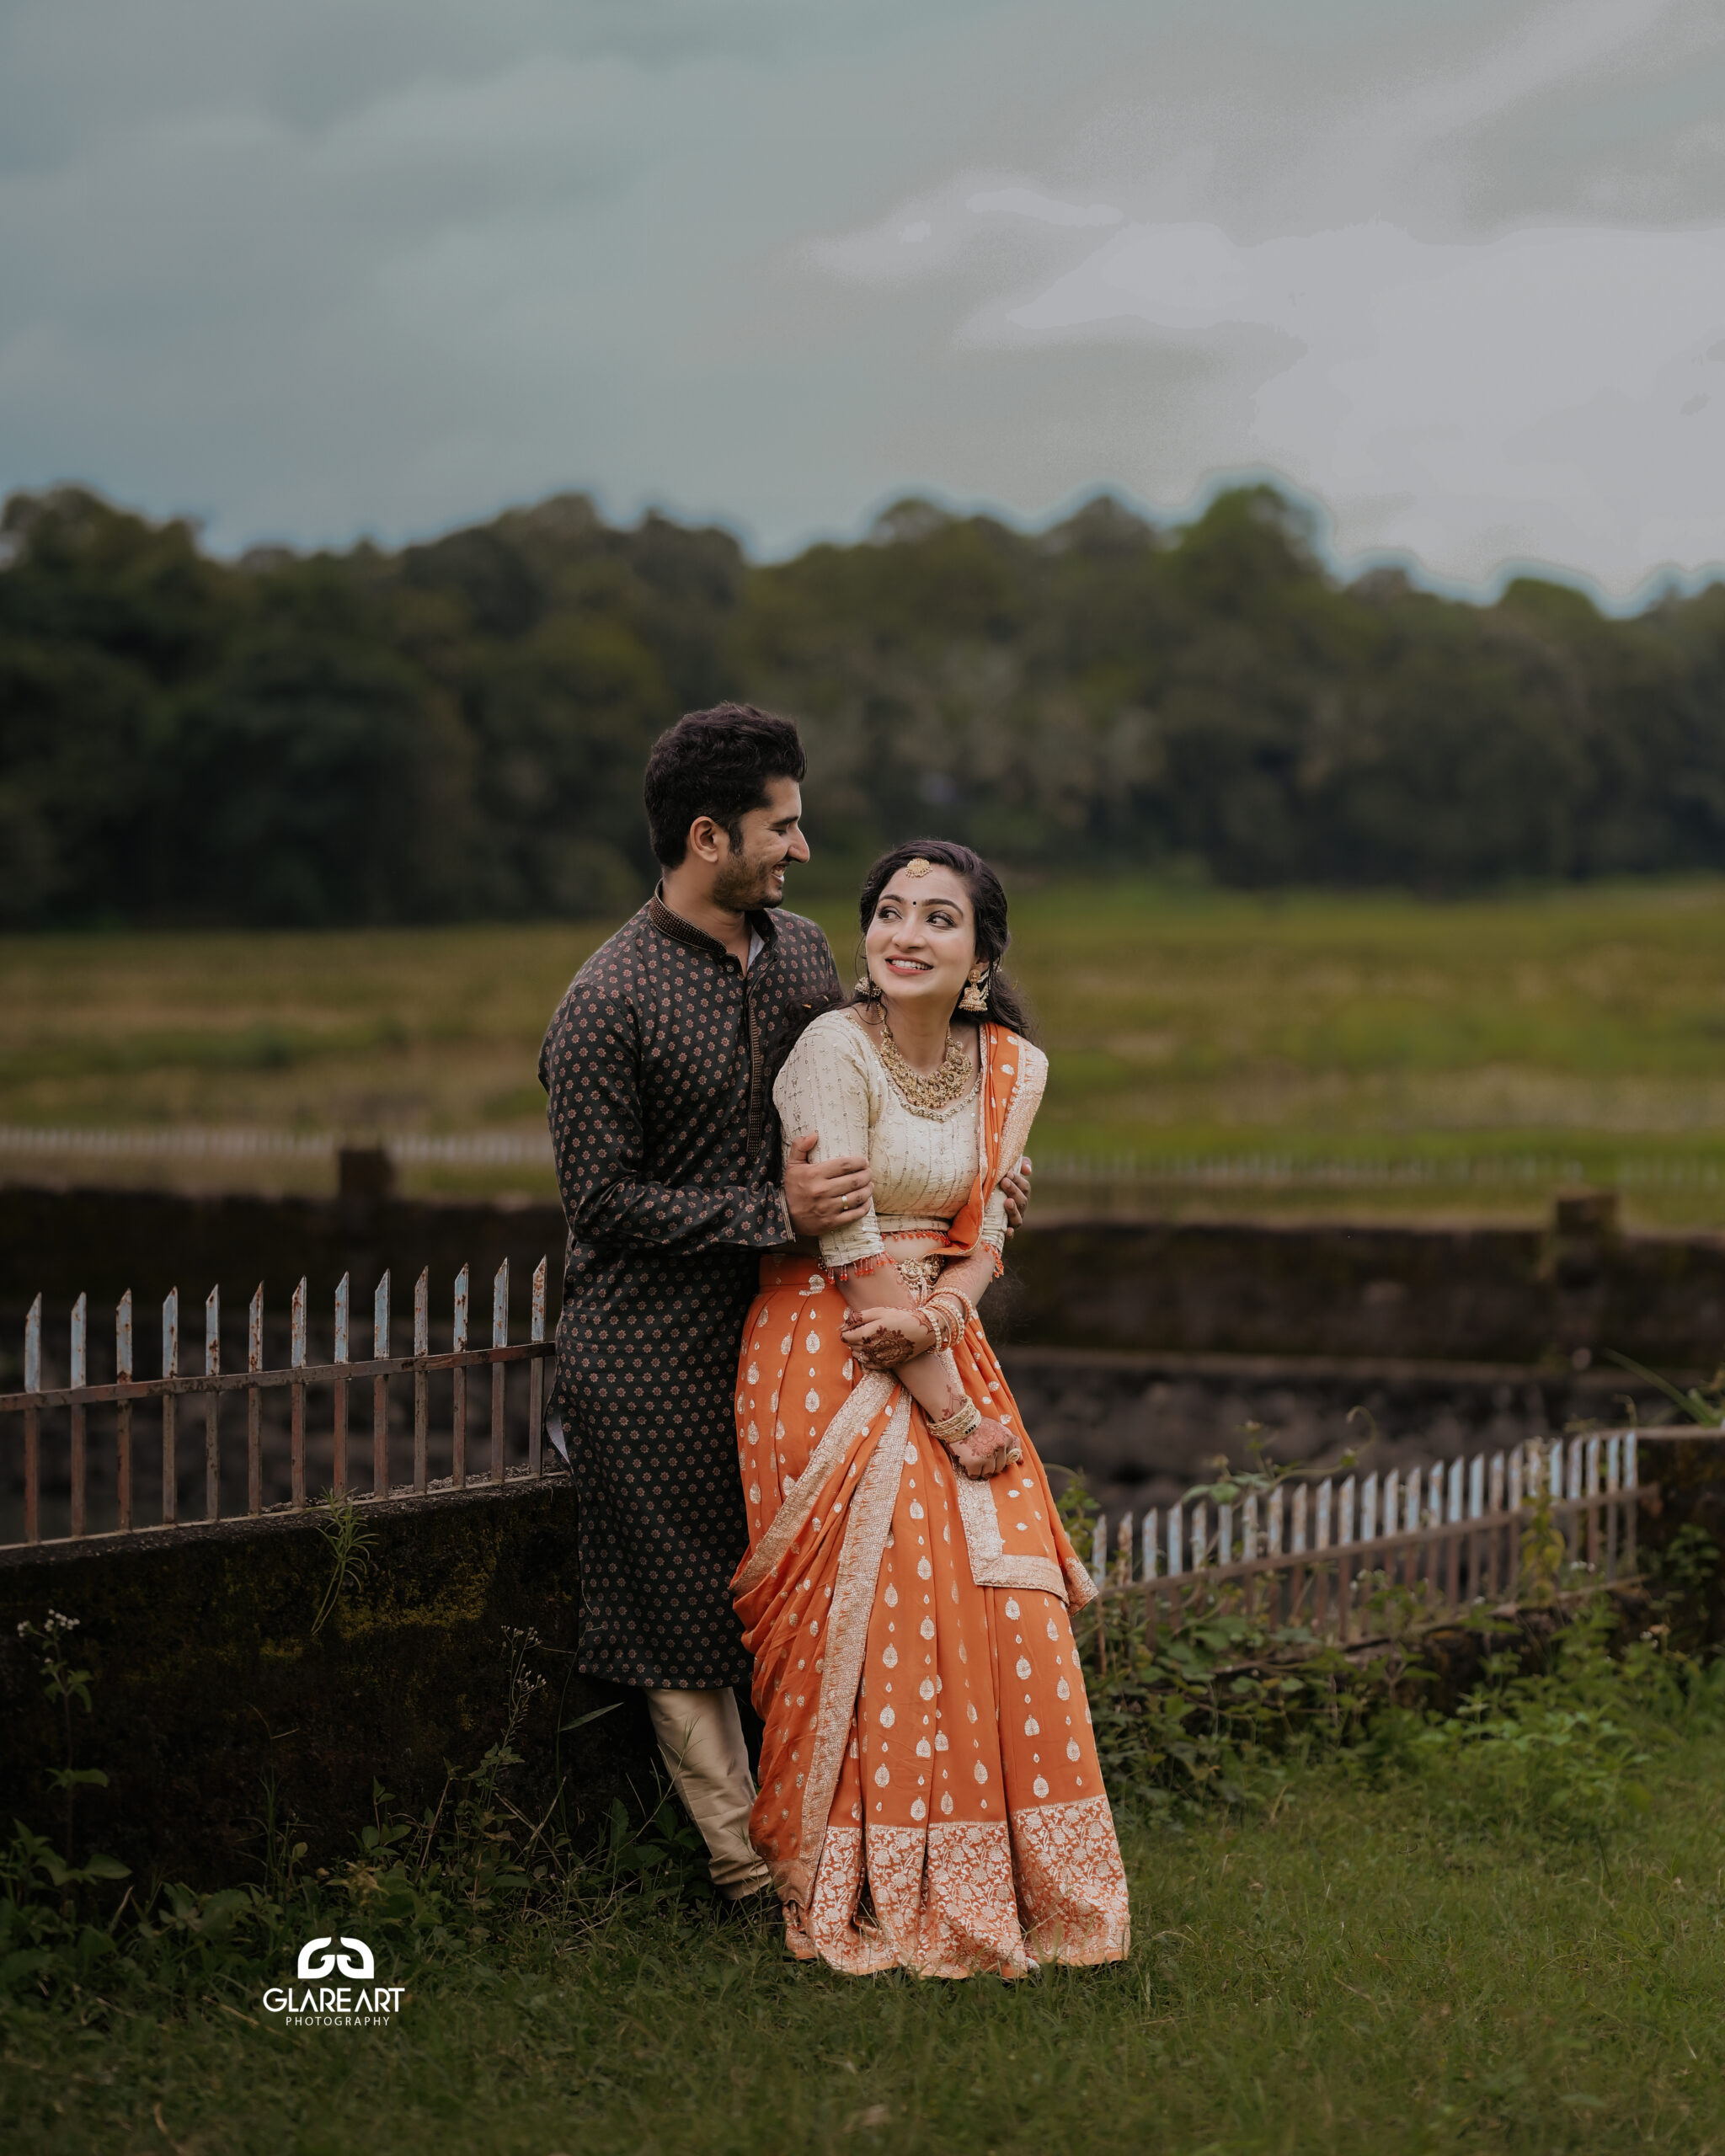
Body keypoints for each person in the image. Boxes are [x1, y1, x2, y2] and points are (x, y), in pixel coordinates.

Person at [539, 709, 1031, 1903]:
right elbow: (600, 1204)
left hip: (796, 1340)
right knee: (679, 1619)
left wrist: (978, 1161)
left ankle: (844, 1833)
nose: (804, 849)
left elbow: (905, 1055)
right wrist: (776, 1213)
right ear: (709, 838)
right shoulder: (607, 1003)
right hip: (647, 1355)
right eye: (782, 826)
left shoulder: (804, 951)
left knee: (812, 1588)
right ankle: (749, 1873)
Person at [732, 839, 1130, 1977]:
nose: (906, 934)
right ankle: (855, 1875)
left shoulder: (1008, 1066)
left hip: (939, 1342)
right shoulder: (828, 1054)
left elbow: (988, 1228)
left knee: (1008, 1604)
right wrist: (956, 1420)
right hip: (827, 1343)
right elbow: (851, 1254)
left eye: (938, 919)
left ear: (981, 956)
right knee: (901, 1597)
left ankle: (1013, 1883)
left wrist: (946, 1314)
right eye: (890, 913)